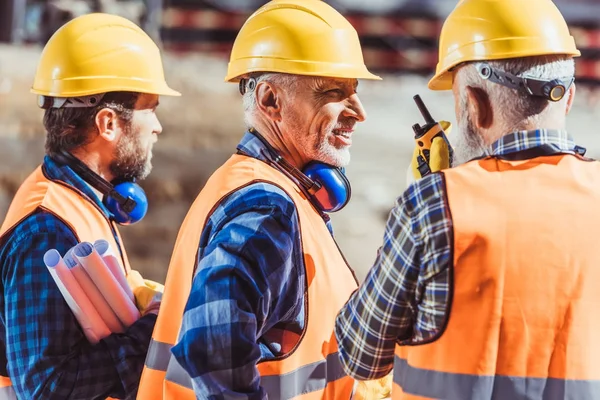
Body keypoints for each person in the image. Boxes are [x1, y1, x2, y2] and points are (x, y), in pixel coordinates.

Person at [334, 0, 600, 399]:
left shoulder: (435, 205)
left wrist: (433, 190)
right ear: (569, 97)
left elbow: (360, 353)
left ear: (473, 104)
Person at [136, 0, 384, 399]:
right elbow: (211, 349)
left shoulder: (269, 189)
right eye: (335, 92)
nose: (358, 111)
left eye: (354, 92)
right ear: (270, 100)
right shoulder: (267, 208)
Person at [0, 13, 180, 399]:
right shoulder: (46, 230)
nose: (157, 127)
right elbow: (47, 388)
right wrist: (152, 332)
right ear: (108, 123)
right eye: (151, 108)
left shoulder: (83, 201)